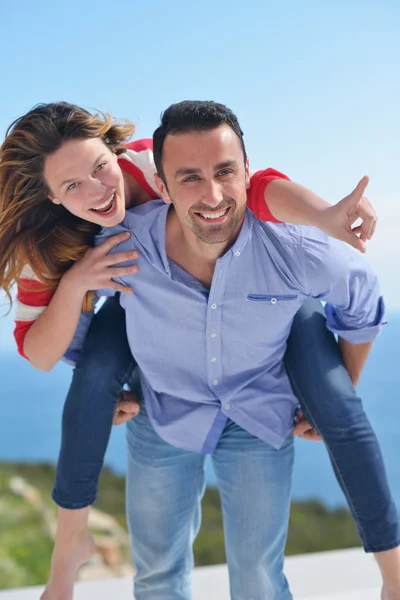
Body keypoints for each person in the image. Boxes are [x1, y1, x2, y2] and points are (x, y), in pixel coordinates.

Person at [0, 102, 397, 599]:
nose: (98, 189)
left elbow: (252, 184)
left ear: (116, 154)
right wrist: (80, 281)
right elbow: (44, 349)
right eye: (72, 185)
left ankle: (394, 575)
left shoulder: (154, 165)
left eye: (100, 168)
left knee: (331, 402)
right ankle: (68, 549)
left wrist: (322, 215)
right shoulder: (61, 247)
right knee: (98, 377)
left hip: (258, 405)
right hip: (160, 396)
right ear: (53, 197)